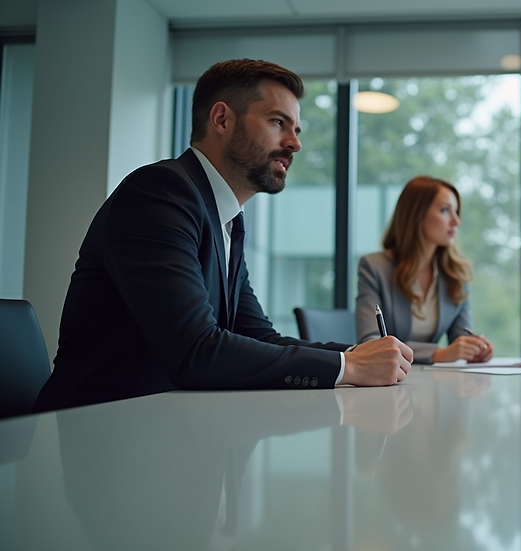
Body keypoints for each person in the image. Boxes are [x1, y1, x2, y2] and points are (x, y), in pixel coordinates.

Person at [33, 59, 413, 413]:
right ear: (221, 119)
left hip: (162, 425)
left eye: (296, 130)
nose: (295, 143)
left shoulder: (224, 218)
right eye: (278, 122)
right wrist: (348, 366)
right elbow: (196, 351)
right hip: (93, 429)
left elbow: (259, 337)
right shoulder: (160, 193)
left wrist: (361, 354)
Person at [355, 176, 493, 364]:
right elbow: (369, 342)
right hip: (389, 377)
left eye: (456, 212)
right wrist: (437, 354)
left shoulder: (456, 274)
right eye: (445, 210)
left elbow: (460, 339)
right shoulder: (374, 267)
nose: (456, 221)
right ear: (416, 215)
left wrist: (475, 348)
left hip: (431, 378)